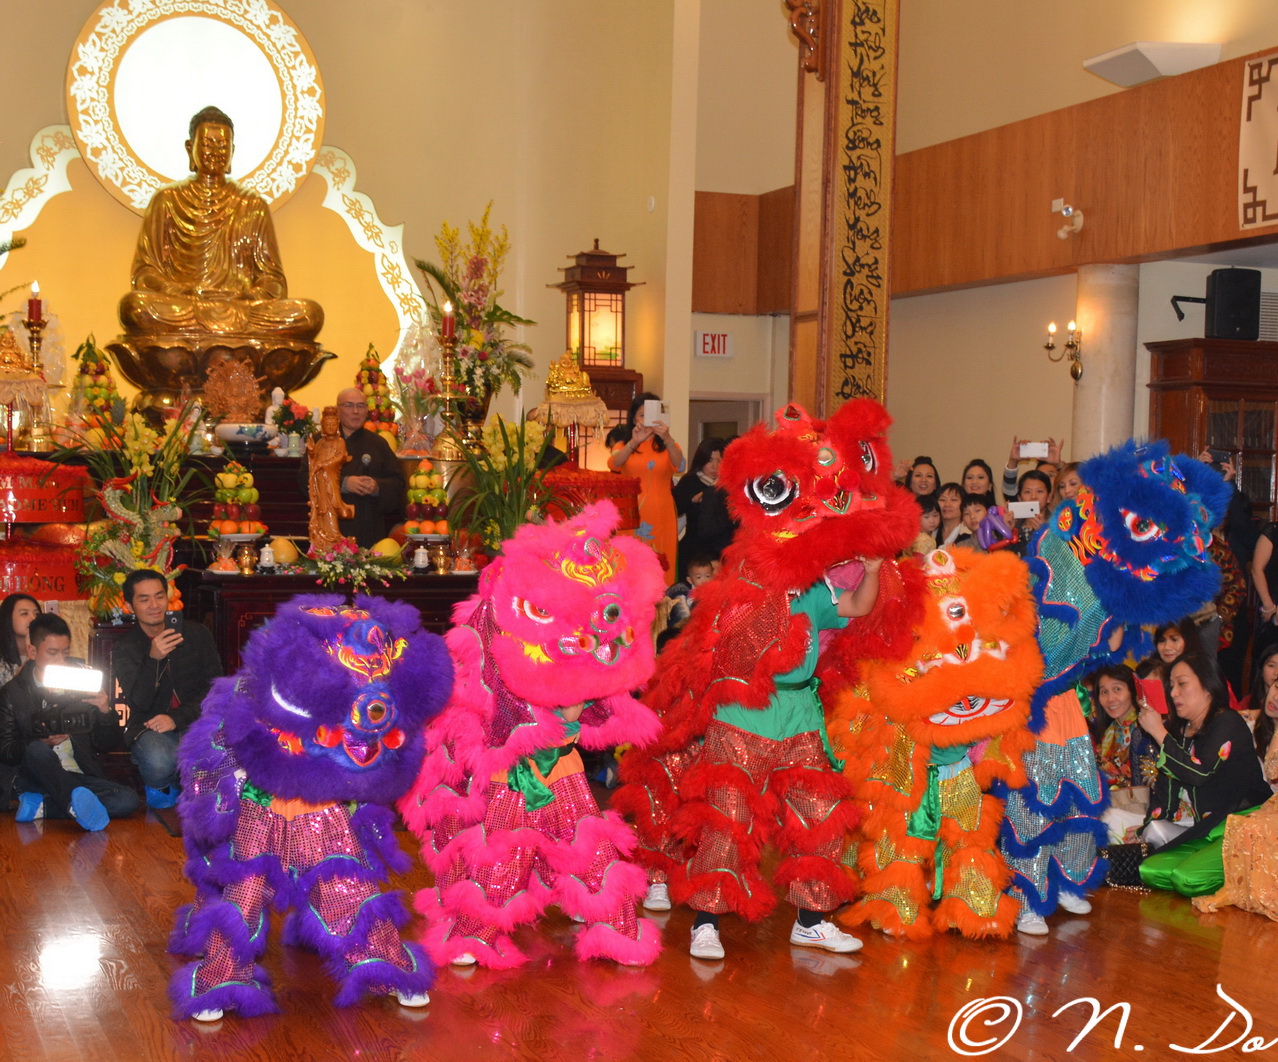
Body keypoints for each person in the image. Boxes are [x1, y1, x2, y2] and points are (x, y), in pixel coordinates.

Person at [119, 107, 322, 341]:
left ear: (232, 151)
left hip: (241, 308)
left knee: (309, 314)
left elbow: (273, 282)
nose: (215, 152)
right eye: (208, 144)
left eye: (223, 146)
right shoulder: (166, 200)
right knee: (135, 307)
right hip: (185, 305)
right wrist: (179, 291)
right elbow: (145, 274)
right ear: (190, 148)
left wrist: (248, 295)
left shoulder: (252, 205)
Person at [1136, 654, 1272, 895]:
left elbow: (1200, 772)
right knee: (1148, 870)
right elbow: (1166, 791)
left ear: (1208, 685)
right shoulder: (1179, 730)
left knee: (1186, 879)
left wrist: (1159, 732)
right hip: (1206, 828)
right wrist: (1144, 830)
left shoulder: (1227, 721)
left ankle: (1249, 868)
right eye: (1171, 686)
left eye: (1182, 684)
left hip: (1241, 823)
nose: (1174, 693)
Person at [0, 614, 140, 830]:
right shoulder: (12, 692)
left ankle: (44, 806)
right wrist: (43, 742)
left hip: (74, 774)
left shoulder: (81, 682)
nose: (60, 660)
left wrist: (105, 710)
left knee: (127, 799)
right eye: (52, 653)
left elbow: (105, 744)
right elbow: (5, 750)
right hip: (33, 776)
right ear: (32, 651)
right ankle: (71, 801)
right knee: (37, 749)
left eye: (65, 653)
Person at [113, 569, 222, 809]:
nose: (154, 605)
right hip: (151, 728)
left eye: (159, 596)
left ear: (168, 598)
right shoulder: (125, 648)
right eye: (144, 599)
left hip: (197, 720)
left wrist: (177, 718)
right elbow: (139, 703)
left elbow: (215, 688)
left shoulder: (197, 634)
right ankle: (164, 785)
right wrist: (154, 660)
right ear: (129, 606)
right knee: (159, 760)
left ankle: (193, 785)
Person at [300, 388, 405, 548]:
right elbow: (305, 478)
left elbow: (397, 483)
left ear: (367, 411)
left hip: (368, 528)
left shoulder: (378, 444)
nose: (355, 411)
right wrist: (343, 484)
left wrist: (377, 487)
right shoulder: (320, 441)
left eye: (361, 406)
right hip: (329, 526)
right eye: (349, 405)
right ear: (338, 410)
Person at [608, 393, 685, 575]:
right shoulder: (623, 445)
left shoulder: (668, 445)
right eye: (642, 415)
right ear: (633, 418)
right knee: (629, 564)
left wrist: (667, 438)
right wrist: (634, 442)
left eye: (652, 415)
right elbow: (613, 464)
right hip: (631, 512)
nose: (648, 420)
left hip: (661, 510)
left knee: (660, 561)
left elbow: (680, 465)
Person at [1088, 664, 1158, 842]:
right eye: (1104, 692)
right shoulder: (1109, 732)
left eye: (1117, 689)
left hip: (1141, 812)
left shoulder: (1145, 728)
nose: (1110, 698)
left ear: (1132, 691)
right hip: (1115, 806)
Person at [673, 437, 735, 580]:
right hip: (694, 549)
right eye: (709, 460)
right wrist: (692, 500)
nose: (715, 466)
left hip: (723, 549)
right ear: (701, 460)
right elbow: (675, 508)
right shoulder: (690, 481)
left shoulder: (729, 485)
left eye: (719, 460)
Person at [1136, 619, 1204, 682]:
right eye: (1161, 640)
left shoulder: (1202, 673)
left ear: (1189, 641)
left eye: (1174, 639)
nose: (1167, 647)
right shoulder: (1148, 671)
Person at [0, 593, 40, 686]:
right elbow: (11, 690)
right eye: (24, 614)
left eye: (37, 614)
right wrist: (30, 657)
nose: (33, 618)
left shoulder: (45, 653)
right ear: (8, 618)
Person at [936, 482, 965, 547]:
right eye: (942, 500)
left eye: (954, 500)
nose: (947, 504)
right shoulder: (931, 531)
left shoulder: (968, 533)